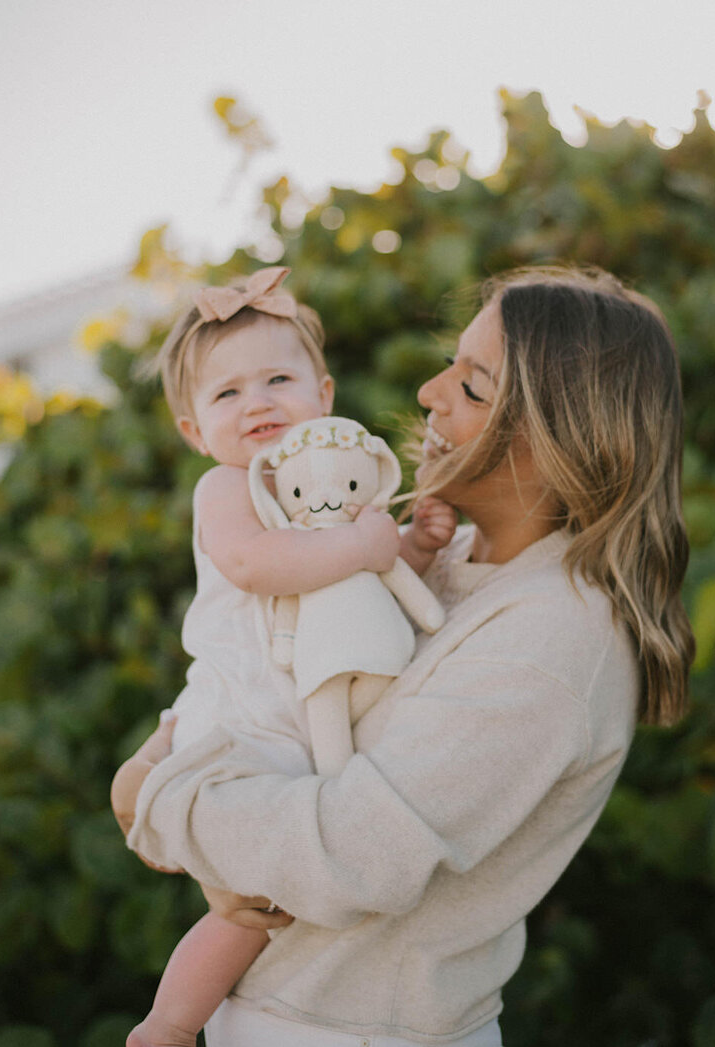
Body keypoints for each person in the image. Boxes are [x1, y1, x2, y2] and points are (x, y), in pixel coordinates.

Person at [117, 264, 695, 1047]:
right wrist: (161, 748)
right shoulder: (443, 559)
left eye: (473, 384)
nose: (429, 390)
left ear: (556, 435)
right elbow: (263, 664)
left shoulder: (555, 639)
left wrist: (156, 796)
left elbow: (347, 854)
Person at [111, 266, 456, 1047]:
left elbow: (370, 583)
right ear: (195, 431)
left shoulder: (333, 481)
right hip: (239, 713)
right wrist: (364, 542)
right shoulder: (226, 488)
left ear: (323, 394)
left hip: (296, 722)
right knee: (242, 902)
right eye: (227, 394)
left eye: (277, 378)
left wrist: (414, 546)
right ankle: (166, 1024)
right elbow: (258, 565)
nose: (258, 401)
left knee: (268, 909)